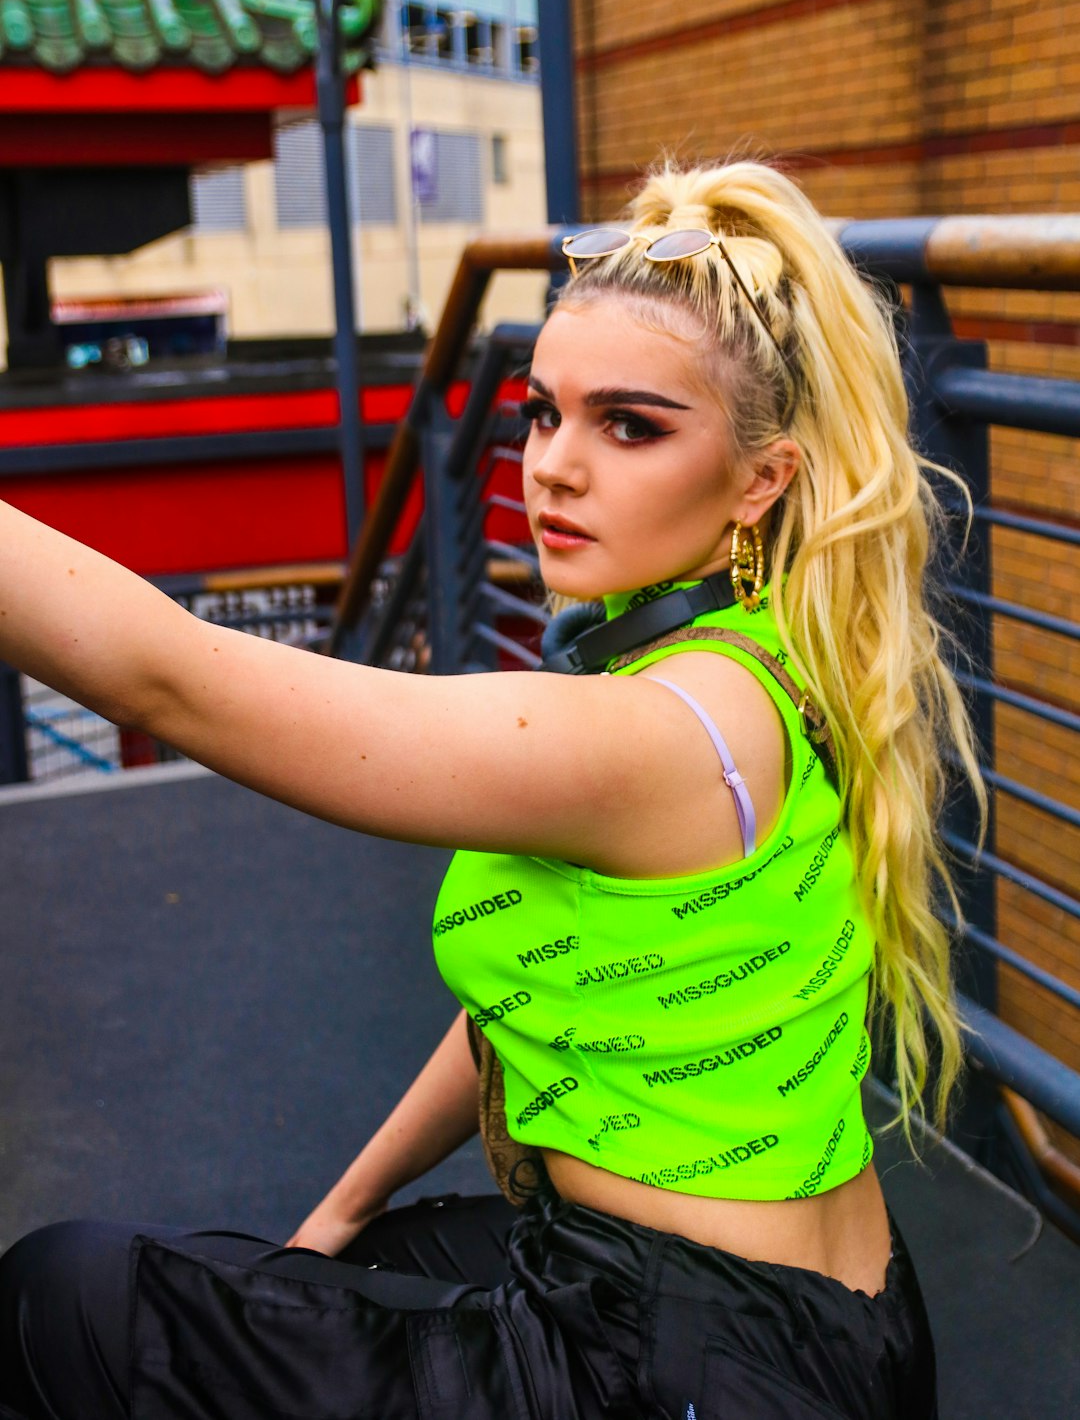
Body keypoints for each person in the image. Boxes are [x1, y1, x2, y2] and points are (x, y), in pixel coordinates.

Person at [0, 159, 985, 1420]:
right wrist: (342, 1210)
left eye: (632, 426)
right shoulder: (772, 652)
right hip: (826, 1321)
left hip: (678, 1369)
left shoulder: (650, 735)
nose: (557, 467)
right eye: (541, 412)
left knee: (65, 1298)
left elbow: (167, 681)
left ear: (760, 481)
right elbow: (536, 1001)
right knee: (346, 1264)